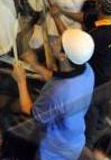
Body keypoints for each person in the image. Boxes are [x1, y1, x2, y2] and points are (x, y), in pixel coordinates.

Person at [52, 0, 111, 147]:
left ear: (99, 5)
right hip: (107, 68)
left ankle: (88, 141)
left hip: (96, 75)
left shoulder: (101, 34)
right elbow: (85, 17)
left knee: (90, 109)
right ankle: (101, 122)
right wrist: (62, 11)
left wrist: (56, 16)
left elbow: (72, 44)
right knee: (102, 99)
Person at [12, 29, 95, 160]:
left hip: (55, 150)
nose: (55, 40)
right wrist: (35, 65)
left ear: (63, 56)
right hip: (76, 139)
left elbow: (29, 111)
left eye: (59, 41)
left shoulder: (58, 92)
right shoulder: (87, 70)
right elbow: (59, 76)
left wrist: (20, 81)